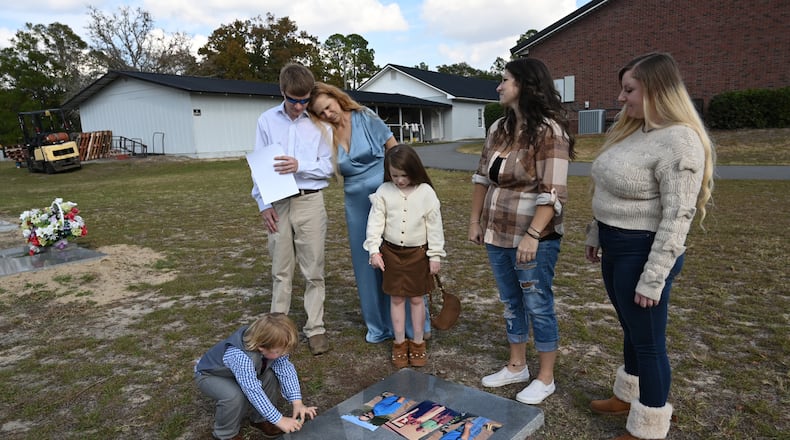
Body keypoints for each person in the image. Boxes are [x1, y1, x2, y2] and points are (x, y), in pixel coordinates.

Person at [583, 52, 714, 440]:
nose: (621, 98)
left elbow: (678, 217)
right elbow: (607, 189)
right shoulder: (632, 129)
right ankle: (627, 396)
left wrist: (653, 277)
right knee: (630, 329)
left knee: (650, 342)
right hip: (614, 245)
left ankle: (649, 427)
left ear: (656, 90)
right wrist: (596, 232)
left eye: (629, 90)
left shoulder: (681, 141)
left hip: (642, 253)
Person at [468, 58, 575, 405]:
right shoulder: (499, 127)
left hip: (534, 239)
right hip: (497, 233)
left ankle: (545, 378)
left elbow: (552, 192)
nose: (498, 86)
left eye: (504, 80)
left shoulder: (549, 132)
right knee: (511, 302)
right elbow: (482, 177)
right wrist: (475, 221)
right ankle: (517, 366)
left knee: (537, 303)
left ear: (525, 85)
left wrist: (532, 235)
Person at [307, 82, 430, 344]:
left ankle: (414, 324)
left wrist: (402, 190)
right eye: (321, 113)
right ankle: (380, 326)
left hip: (387, 195)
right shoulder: (324, 133)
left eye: (328, 107)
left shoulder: (365, 117)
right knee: (368, 263)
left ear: (337, 99)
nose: (328, 115)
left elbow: (396, 152)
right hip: (356, 204)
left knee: (400, 257)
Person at [251, 63, 334, 355]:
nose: (299, 107)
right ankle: (278, 331)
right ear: (282, 92)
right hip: (278, 203)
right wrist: (263, 205)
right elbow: (260, 167)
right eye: (293, 100)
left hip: (310, 200)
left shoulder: (320, 124)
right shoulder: (266, 121)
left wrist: (301, 166)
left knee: (313, 269)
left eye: (304, 100)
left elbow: (329, 167)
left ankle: (316, 328)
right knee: (280, 269)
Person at [365, 144, 445, 368]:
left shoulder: (426, 193)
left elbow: (435, 227)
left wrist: (435, 255)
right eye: (395, 175)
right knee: (396, 298)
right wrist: (374, 250)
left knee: (417, 298)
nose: (400, 180)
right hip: (390, 253)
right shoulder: (383, 191)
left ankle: (418, 343)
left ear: (415, 170)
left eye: (404, 175)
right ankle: (399, 343)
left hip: (418, 254)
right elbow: (375, 222)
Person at [194, 313, 318, 440]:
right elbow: (252, 390)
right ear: (261, 347)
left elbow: (285, 370)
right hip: (211, 375)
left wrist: (297, 402)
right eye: (279, 351)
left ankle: (261, 420)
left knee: (269, 375)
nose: (284, 354)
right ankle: (225, 434)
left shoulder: (273, 344)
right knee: (234, 395)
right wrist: (279, 419)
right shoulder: (240, 356)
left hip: (239, 373)